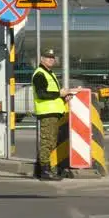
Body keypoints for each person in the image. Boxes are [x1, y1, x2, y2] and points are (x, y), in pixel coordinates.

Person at [32, 49, 72, 181]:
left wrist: (62, 98)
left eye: (52, 58)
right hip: (47, 113)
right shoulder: (40, 74)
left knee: (50, 142)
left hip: (53, 113)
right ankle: (44, 171)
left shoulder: (49, 73)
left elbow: (52, 94)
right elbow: (42, 94)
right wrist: (59, 94)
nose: (51, 60)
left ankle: (44, 169)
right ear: (41, 59)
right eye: (47, 57)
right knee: (47, 142)